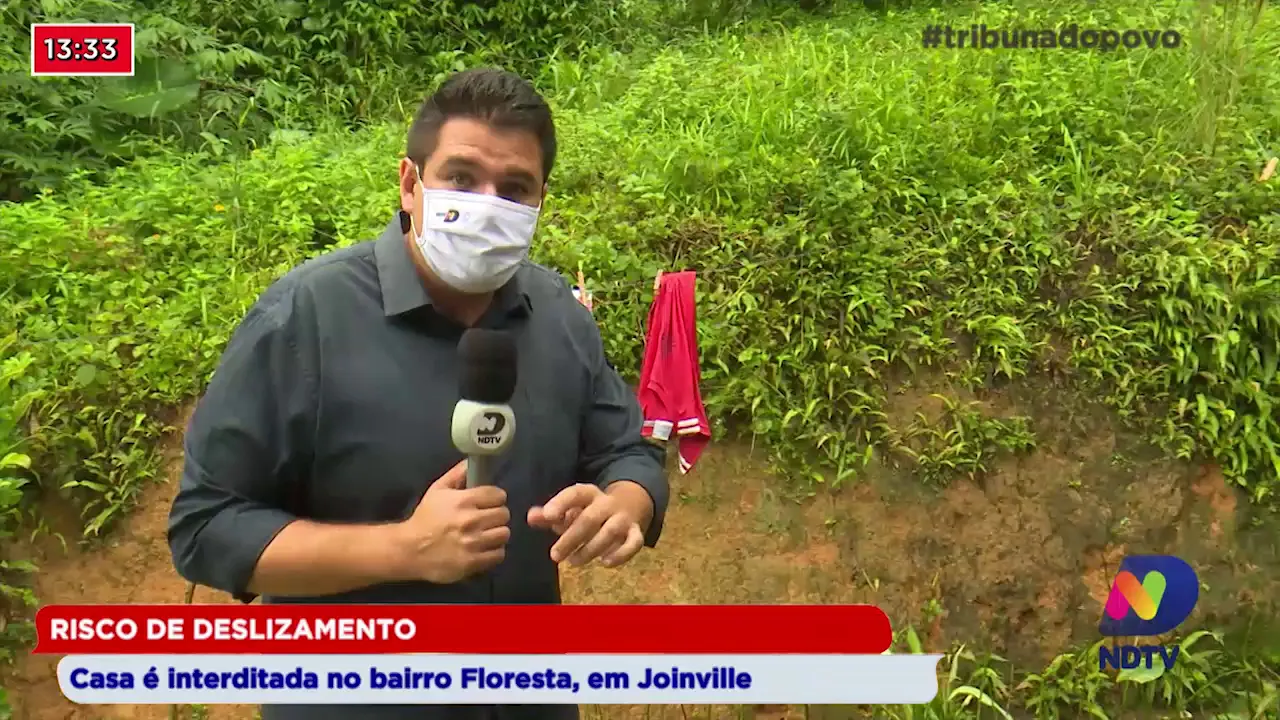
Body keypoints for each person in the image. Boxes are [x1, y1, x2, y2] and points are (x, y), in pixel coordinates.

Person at [167, 67, 670, 720]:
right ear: (410, 184)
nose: (487, 204)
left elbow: (627, 450)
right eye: (461, 177)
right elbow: (206, 527)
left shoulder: (559, 315)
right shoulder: (304, 318)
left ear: (540, 201)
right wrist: (402, 549)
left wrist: (624, 504)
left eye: (514, 188)